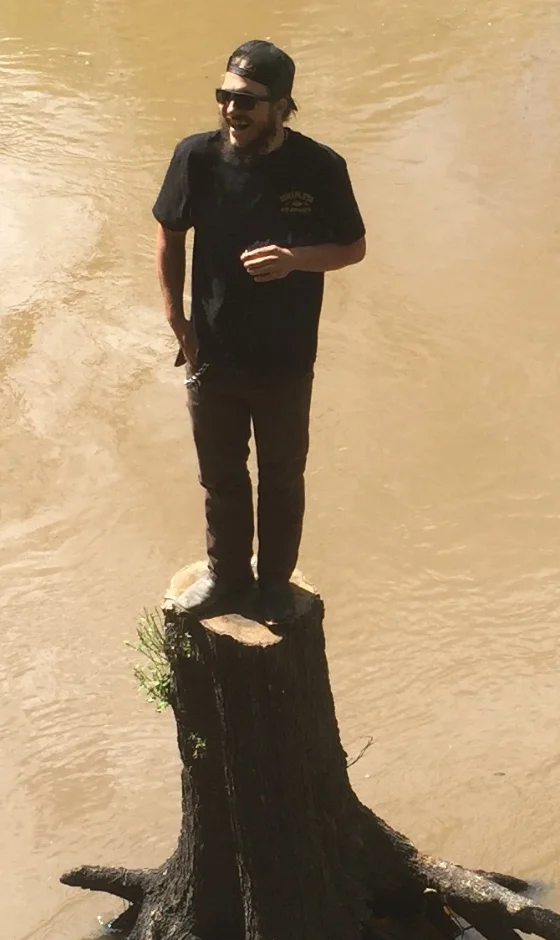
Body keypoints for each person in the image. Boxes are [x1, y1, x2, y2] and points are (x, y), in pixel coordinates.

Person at [153, 39, 366, 624]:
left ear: (282, 106)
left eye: (247, 100)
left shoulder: (319, 167)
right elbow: (169, 233)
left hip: (286, 358)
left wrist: (296, 260)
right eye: (224, 96)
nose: (231, 110)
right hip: (211, 353)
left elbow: (353, 248)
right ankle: (225, 577)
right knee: (220, 477)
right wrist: (177, 320)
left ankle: (273, 585)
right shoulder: (195, 157)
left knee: (280, 477)